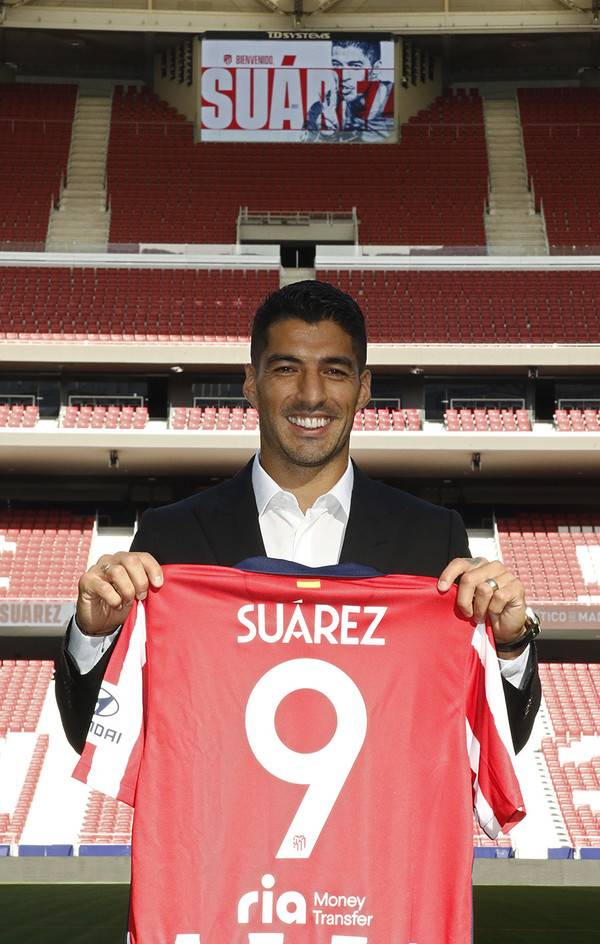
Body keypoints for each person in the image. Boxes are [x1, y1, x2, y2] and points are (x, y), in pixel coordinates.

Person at [56, 280, 540, 755]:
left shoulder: (432, 539)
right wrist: (96, 635)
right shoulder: (171, 538)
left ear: (364, 388)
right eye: (287, 368)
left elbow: (493, 743)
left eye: (335, 371)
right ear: (252, 383)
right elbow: (94, 739)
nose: (311, 395)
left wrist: (509, 645)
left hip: (377, 812)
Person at [303, 39, 394, 142]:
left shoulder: (399, 103)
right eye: (337, 64)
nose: (343, 76)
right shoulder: (322, 110)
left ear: (376, 69)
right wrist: (326, 136)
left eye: (355, 66)